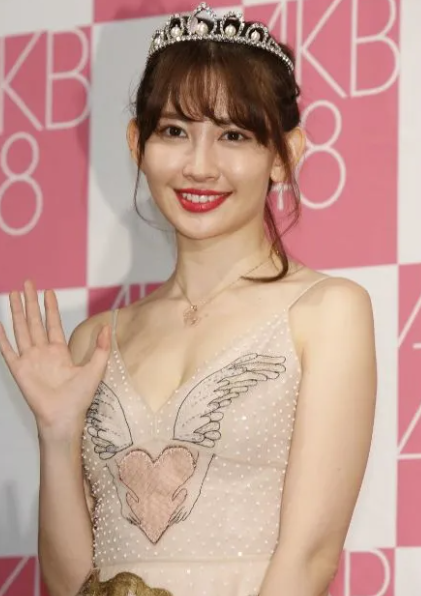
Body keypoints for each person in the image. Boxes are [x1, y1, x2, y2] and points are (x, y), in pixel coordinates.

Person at [0, 3, 377, 596]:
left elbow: (309, 560)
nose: (200, 167)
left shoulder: (327, 312)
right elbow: (71, 582)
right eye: (174, 132)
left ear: (285, 154)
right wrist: (56, 431)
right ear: (137, 143)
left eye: (234, 136)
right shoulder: (94, 340)